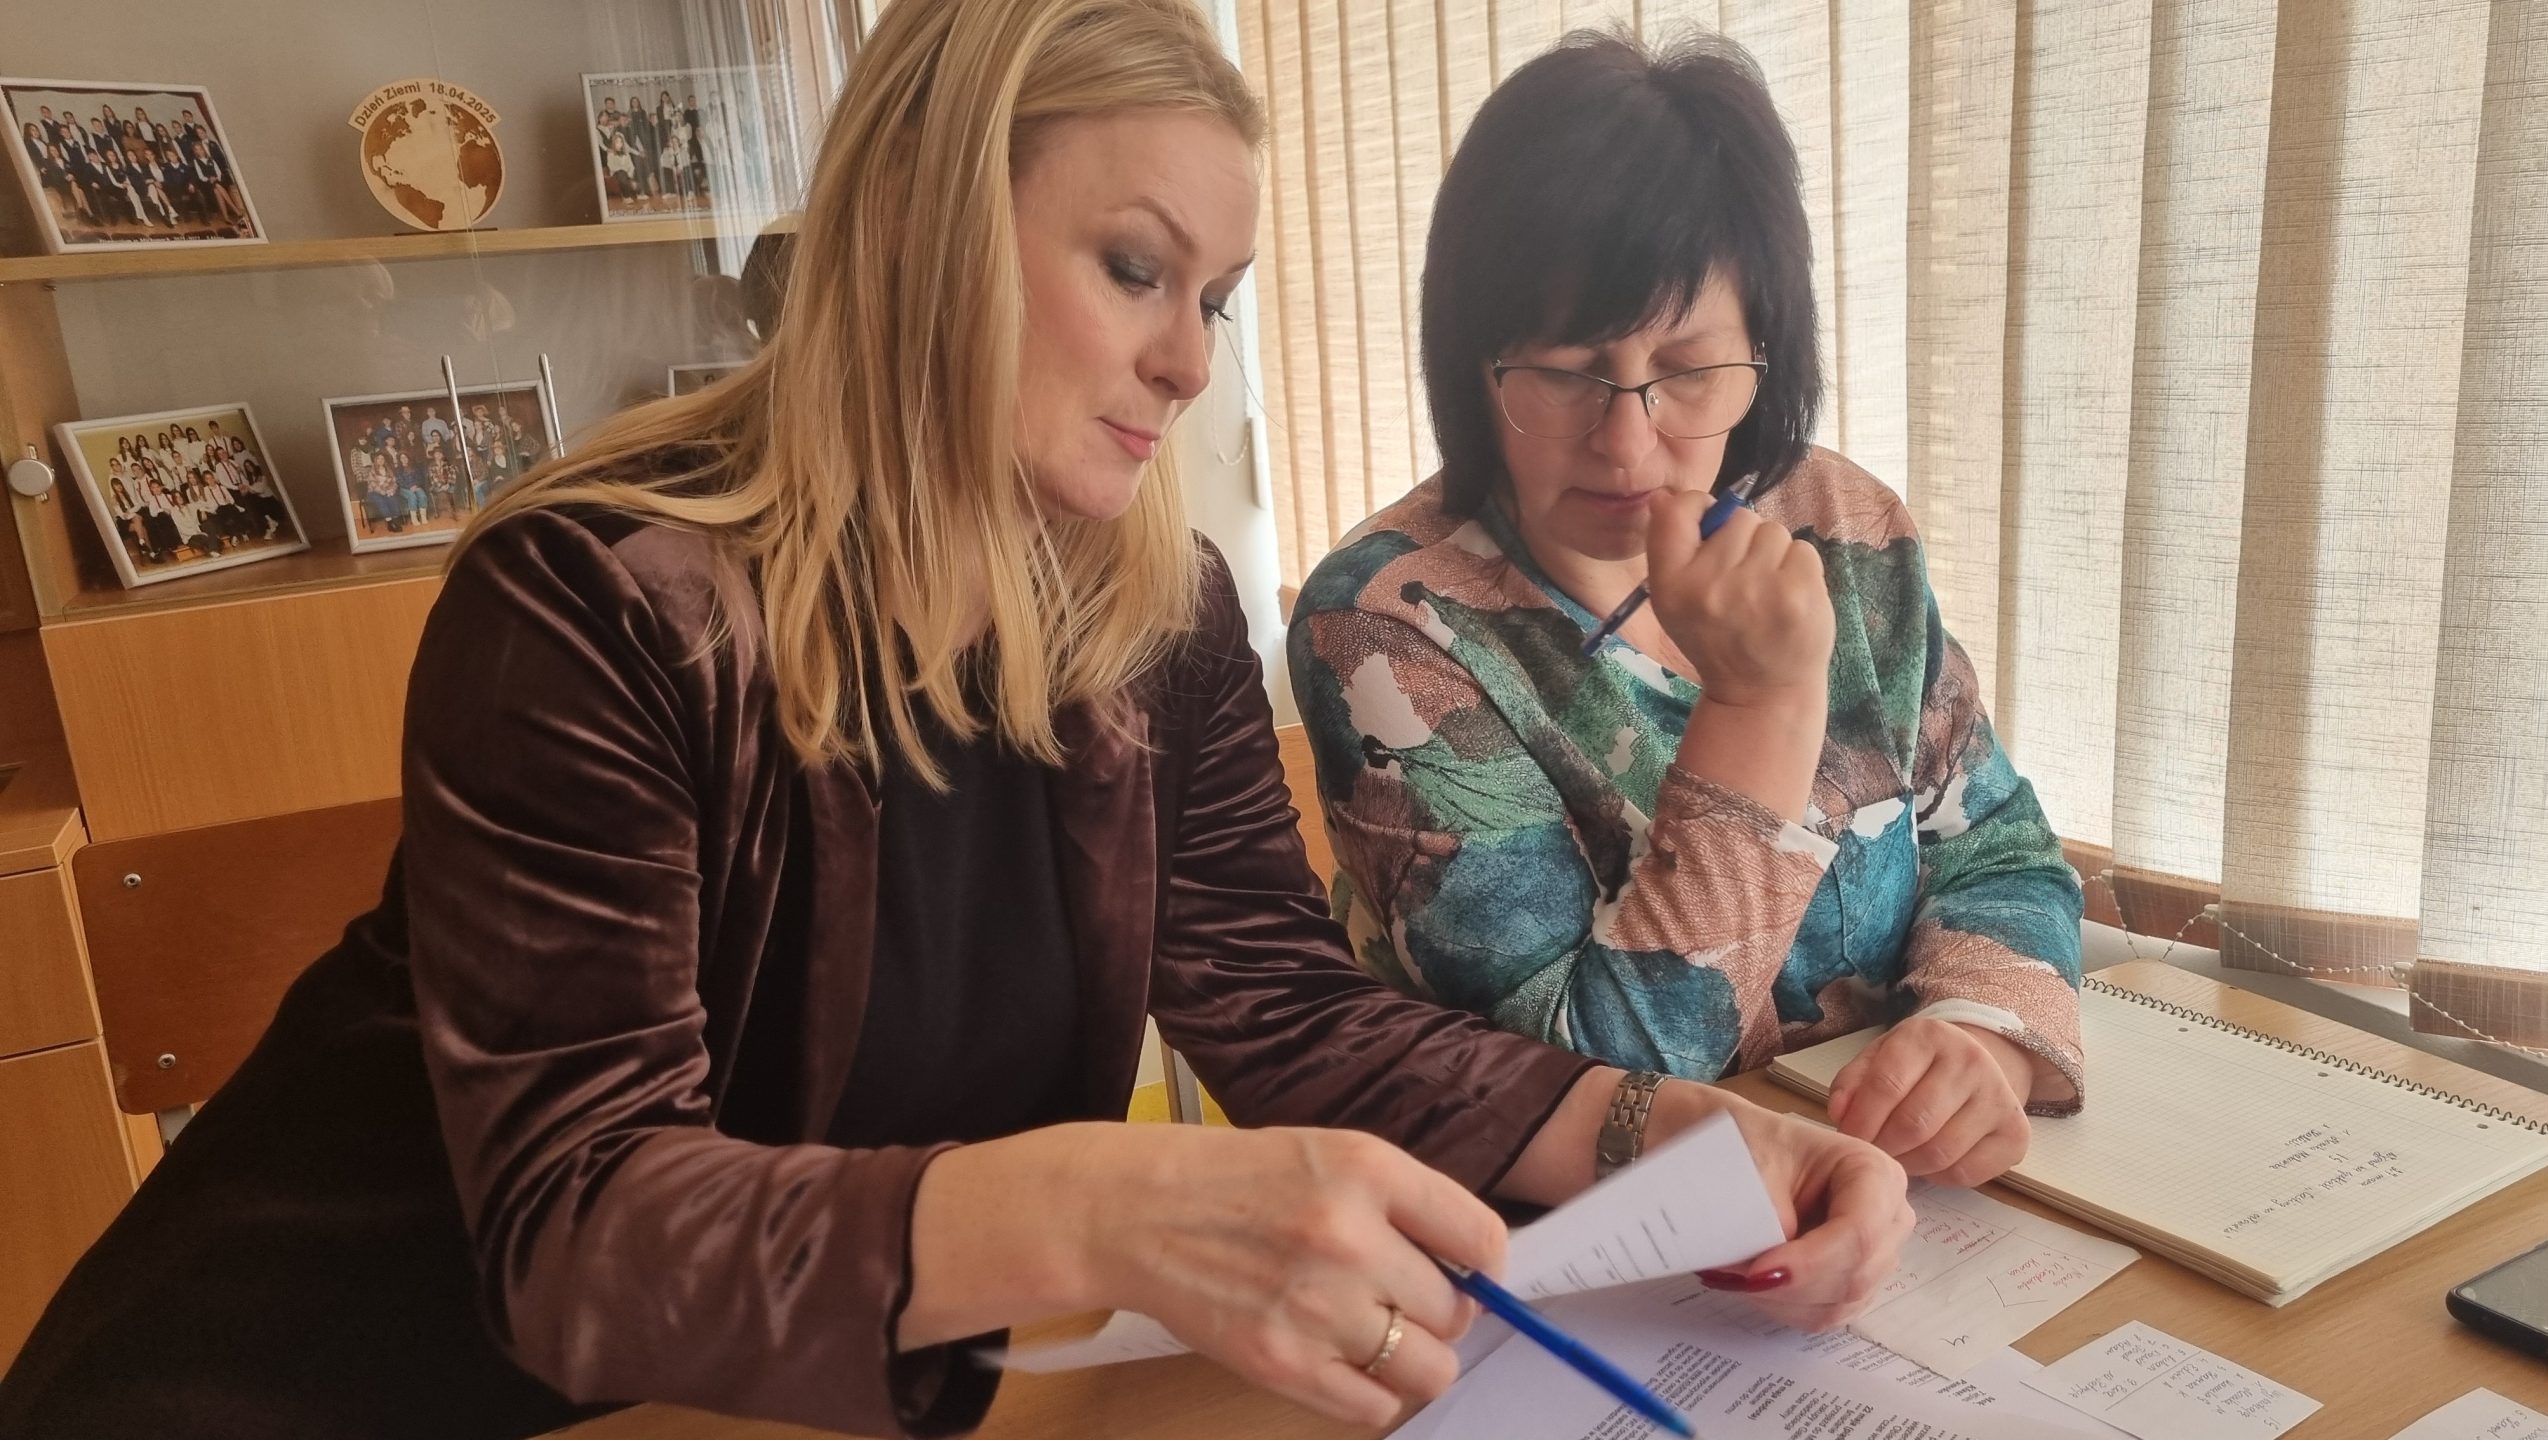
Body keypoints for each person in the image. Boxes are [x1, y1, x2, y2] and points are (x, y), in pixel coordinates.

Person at [0, 6, 1911, 1439]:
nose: (1188, 358)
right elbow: (580, 1231)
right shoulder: (599, 604)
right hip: (327, 1383)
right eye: (1134, 268)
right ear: (923, 224)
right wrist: (1105, 1205)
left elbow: (1285, 1007)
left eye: (1218, 298)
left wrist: (1668, 1133)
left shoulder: (1157, 621)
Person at [1287, 32, 2086, 1192]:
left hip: (1892, 1207)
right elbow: (1589, 1088)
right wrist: (1761, 706)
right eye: (1563, 370)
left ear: (1765, 351)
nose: (1627, 443)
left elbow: (1996, 845)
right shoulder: (1388, 626)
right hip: (1568, 1236)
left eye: (1689, 368)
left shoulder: (1841, 531)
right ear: (1472, 363)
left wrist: (1981, 1038)